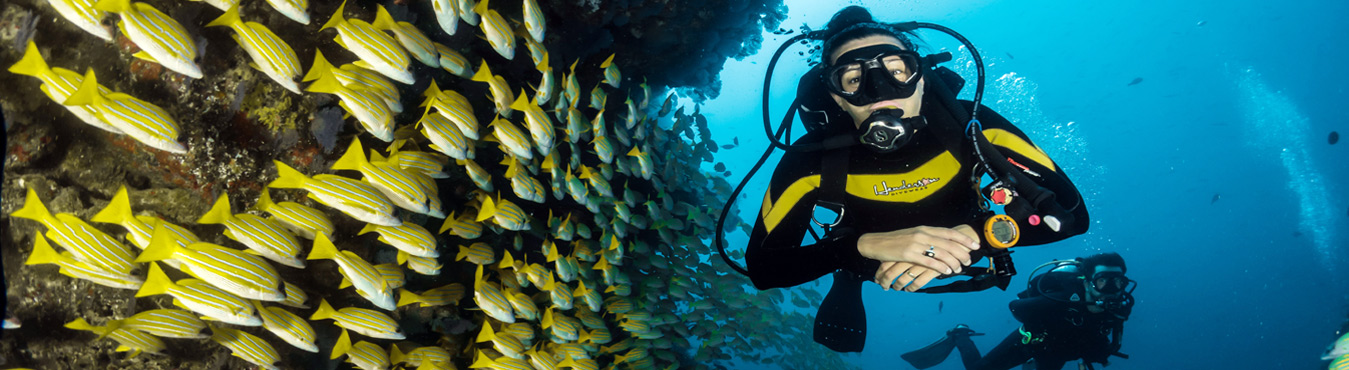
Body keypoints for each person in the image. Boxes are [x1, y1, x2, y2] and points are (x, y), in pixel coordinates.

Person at [742, 6, 1090, 352]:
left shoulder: (973, 125)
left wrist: (980, 234)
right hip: (867, 261)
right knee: (848, 264)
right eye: (852, 79)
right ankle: (849, 274)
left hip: (971, 238)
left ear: (921, 78)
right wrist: (859, 247)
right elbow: (764, 269)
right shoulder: (811, 160)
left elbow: (1072, 214)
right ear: (837, 98)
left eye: (896, 70)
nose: (879, 90)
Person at [901, 253, 1135, 370]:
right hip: (1031, 342)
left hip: (1059, 355)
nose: (1112, 290)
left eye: (1118, 282)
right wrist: (1059, 309)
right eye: (1104, 281)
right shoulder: (1063, 298)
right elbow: (1016, 307)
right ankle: (959, 335)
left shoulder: (1118, 308)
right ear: (1087, 281)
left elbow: (1108, 340)